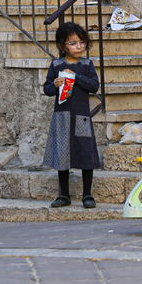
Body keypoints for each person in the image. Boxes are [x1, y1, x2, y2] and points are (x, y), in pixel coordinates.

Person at [41, 22, 102, 209]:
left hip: (81, 115)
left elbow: (94, 86)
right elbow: (47, 89)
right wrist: (56, 84)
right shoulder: (56, 65)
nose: (79, 46)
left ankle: (87, 194)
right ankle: (64, 194)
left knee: (85, 153)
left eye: (82, 42)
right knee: (62, 154)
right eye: (73, 43)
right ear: (62, 46)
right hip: (61, 116)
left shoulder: (86, 65)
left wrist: (75, 77)